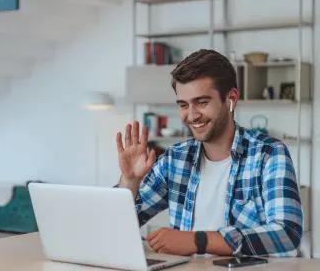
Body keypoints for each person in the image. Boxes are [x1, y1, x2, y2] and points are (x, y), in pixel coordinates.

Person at [115, 49, 303, 258]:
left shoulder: (269, 154)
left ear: (231, 98)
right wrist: (129, 181)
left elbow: (287, 233)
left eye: (202, 102)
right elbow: (118, 225)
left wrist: (198, 241)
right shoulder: (174, 159)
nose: (192, 115)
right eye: (184, 105)